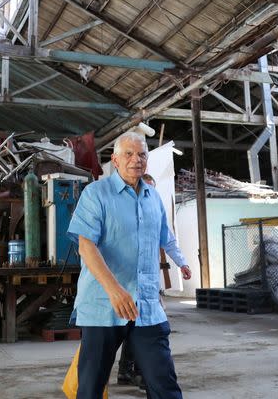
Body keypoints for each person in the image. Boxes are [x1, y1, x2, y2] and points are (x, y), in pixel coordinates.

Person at [68, 132, 185, 399]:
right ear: (115, 160)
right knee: (90, 387)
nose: (137, 160)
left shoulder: (153, 198)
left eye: (142, 154)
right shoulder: (96, 193)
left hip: (146, 308)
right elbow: (86, 245)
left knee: (164, 382)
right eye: (129, 154)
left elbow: (164, 237)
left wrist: (181, 262)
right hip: (103, 304)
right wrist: (115, 290)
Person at [117, 173, 191, 389]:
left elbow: (168, 239)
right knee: (124, 331)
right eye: (145, 188)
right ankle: (128, 372)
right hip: (122, 284)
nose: (148, 193)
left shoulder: (154, 210)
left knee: (147, 331)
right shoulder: (122, 211)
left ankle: (138, 374)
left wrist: (182, 263)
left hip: (147, 287)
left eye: (151, 189)